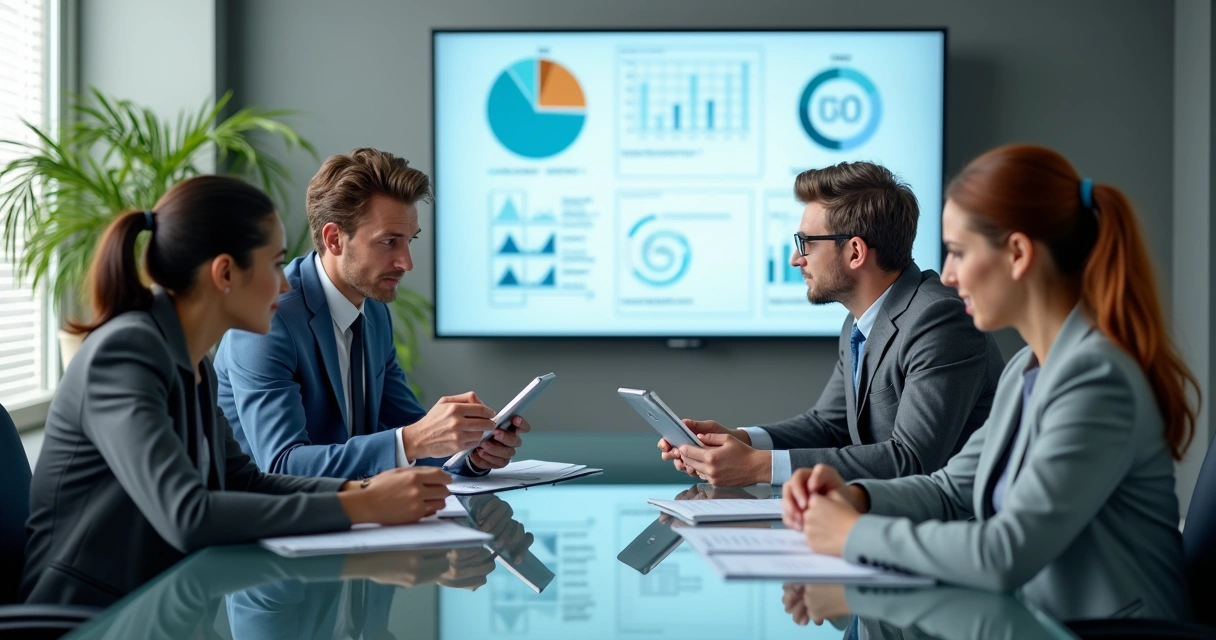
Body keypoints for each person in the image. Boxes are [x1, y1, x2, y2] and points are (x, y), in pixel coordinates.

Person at [783, 144, 1198, 621]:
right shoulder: (1029, 367)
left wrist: (852, 533)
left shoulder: (1097, 379)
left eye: (959, 252)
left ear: (1018, 254)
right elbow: (950, 489)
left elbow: (1005, 553)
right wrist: (856, 496)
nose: (951, 275)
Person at [21, 176, 452, 606]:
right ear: (225, 272)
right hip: (91, 619)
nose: (285, 285)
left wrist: (360, 493)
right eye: (274, 264)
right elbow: (189, 515)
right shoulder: (124, 355)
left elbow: (243, 481)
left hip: (164, 609)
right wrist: (365, 507)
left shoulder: (193, 363)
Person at [659, 161, 1005, 486]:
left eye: (805, 243)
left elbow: (912, 460)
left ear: (855, 252)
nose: (796, 259)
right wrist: (740, 439)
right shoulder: (859, 322)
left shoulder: (939, 319)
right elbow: (829, 425)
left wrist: (758, 466)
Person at [215, 148, 528, 481]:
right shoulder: (268, 318)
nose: (406, 263)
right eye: (389, 242)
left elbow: (407, 428)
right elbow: (280, 465)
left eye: (409, 241)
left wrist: (471, 452)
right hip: (267, 524)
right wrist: (414, 440)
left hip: (351, 514)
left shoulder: (374, 311)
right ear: (334, 238)